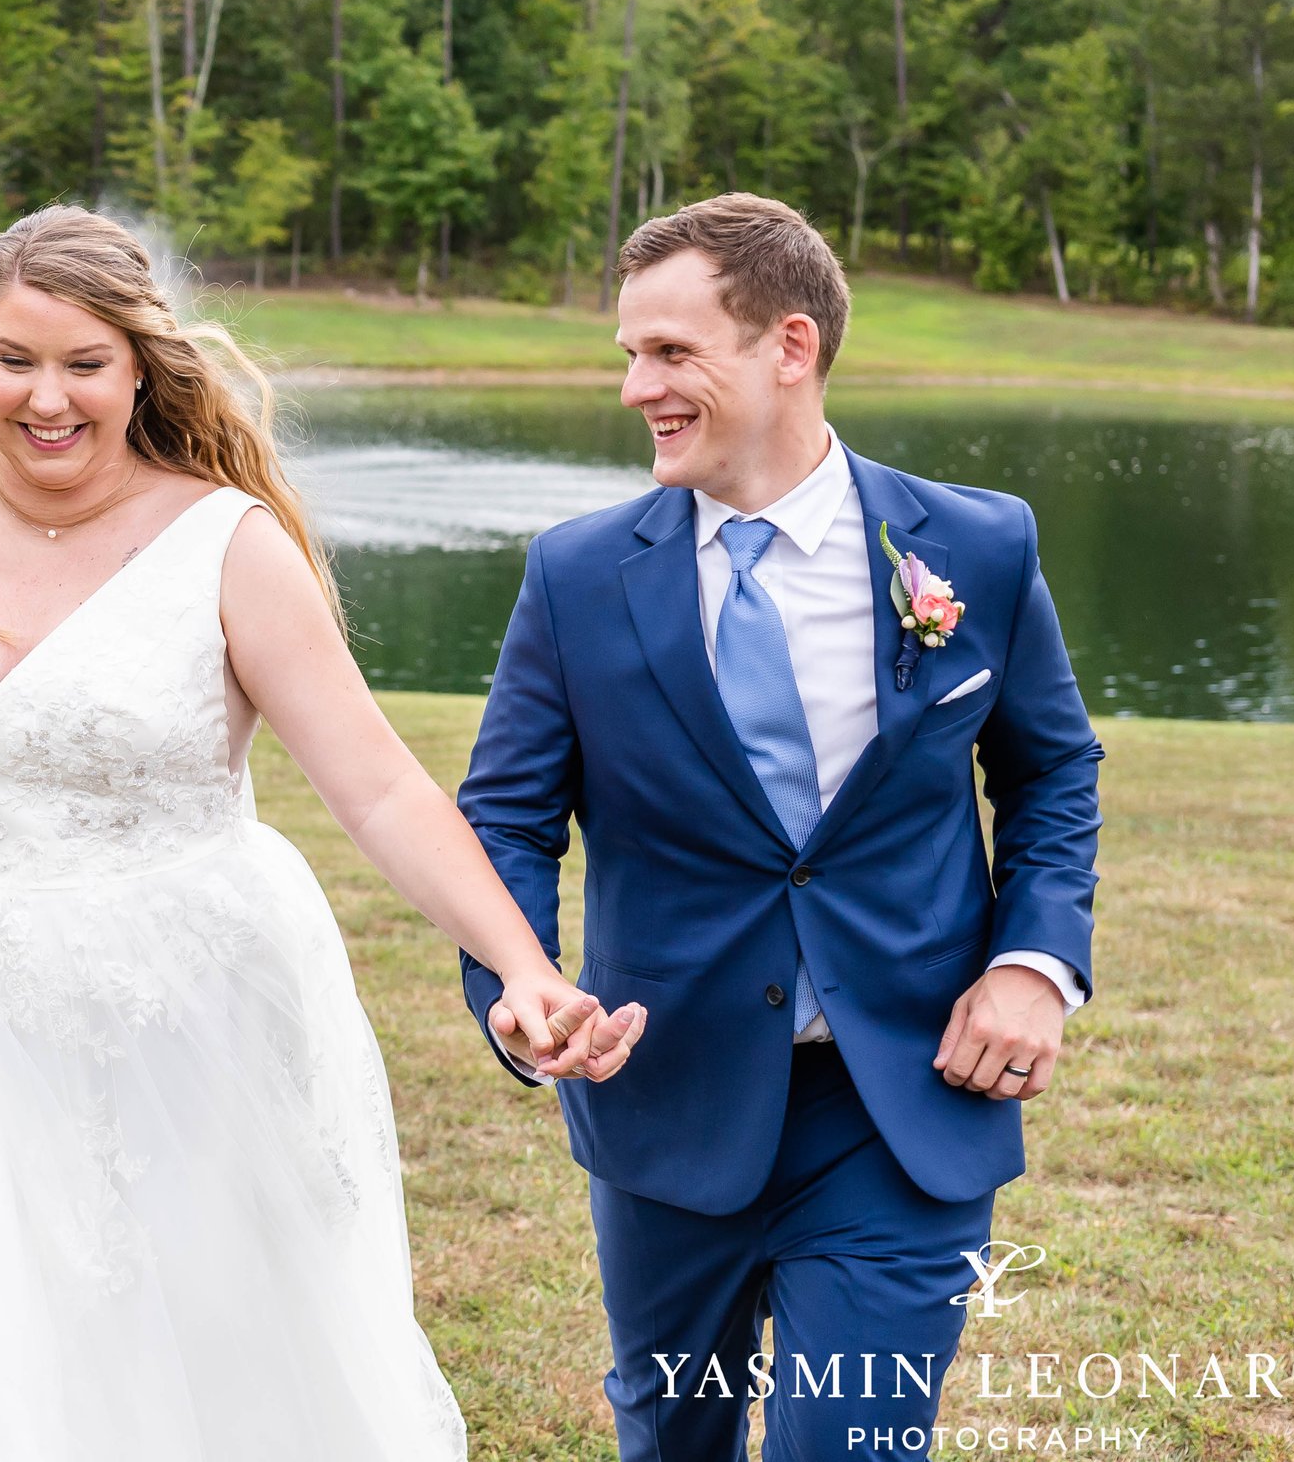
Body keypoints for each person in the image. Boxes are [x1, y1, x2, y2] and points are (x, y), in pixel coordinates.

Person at [0, 204, 645, 1460]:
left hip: (183, 1018)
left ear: (140, 367)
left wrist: (524, 968)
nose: (46, 398)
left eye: (84, 364)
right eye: (15, 360)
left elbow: (378, 790)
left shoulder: (226, 544)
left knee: (195, 1359)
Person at [456, 193, 1103, 1461]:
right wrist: (518, 982)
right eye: (629, 355)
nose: (638, 385)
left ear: (788, 347)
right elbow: (507, 819)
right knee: (670, 1438)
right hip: (668, 1090)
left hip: (903, 1100)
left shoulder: (975, 543)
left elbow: (1050, 771)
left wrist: (1033, 967)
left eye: (670, 352)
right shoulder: (577, 575)